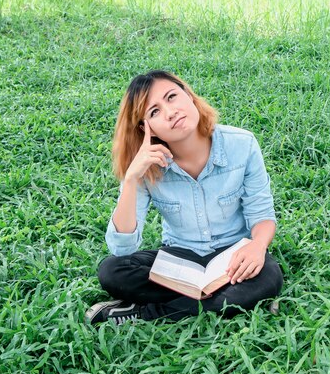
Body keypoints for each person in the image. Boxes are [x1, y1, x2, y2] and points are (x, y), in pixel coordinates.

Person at [85, 70, 283, 325]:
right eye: (154, 112)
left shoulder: (242, 144)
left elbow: (262, 214)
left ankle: (143, 313)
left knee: (269, 277)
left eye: (172, 97)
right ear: (146, 128)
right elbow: (122, 249)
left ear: (189, 96)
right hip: (180, 260)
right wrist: (132, 178)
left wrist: (257, 247)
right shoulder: (147, 166)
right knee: (112, 271)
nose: (170, 112)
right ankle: (210, 301)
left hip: (232, 258)